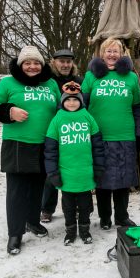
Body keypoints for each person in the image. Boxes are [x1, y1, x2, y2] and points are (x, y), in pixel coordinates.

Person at [0, 46, 61, 255]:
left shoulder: (51, 83)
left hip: (45, 143)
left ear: (42, 65)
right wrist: (9, 111)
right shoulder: (8, 82)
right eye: (27, 63)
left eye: (36, 62)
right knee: (17, 190)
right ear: (21, 65)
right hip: (17, 143)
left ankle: (32, 221)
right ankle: (15, 233)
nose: (32, 66)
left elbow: (60, 107)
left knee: (38, 186)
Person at [81, 37, 140, 229]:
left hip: (124, 136)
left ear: (122, 54)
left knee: (123, 180)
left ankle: (122, 217)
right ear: (102, 53)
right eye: (108, 51)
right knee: (102, 180)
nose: (112, 54)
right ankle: (105, 217)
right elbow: (81, 105)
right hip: (99, 136)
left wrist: (137, 130)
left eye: (116, 51)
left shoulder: (131, 77)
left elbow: (137, 106)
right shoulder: (91, 76)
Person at [44, 86, 104, 245]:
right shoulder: (57, 119)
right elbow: (50, 150)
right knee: (68, 207)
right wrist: (53, 173)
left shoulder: (88, 117)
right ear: (63, 101)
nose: (71, 103)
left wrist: (98, 168)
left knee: (85, 206)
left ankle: (85, 230)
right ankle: (70, 232)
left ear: (80, 101)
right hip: (66, 175)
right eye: (68, 99)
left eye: (75, 99)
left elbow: (98, 146)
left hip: (85, 173)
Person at [41, 48, 84, 223]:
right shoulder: (48, 81)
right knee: (51, 172)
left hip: (75, 133)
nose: (65, 65)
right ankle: (47, 208)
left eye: (68, 61)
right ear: (54, 62)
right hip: (53, 131)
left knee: (74, 170)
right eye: (62, 61)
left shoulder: (79, 81)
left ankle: (76, 207)